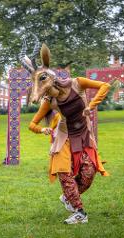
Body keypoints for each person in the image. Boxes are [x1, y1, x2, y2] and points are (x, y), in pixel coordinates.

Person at [29, 76, 110, 224]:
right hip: (64, 137)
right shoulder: (49, 101)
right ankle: (80, 213)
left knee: (88, 173)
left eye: (47, 91)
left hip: (84, 134)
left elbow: (105, 86)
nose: (46, 96)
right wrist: (42, 129)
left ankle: (68, 197)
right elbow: (32, 124)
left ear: (54, 84)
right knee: (64, 173)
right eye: (44, 93)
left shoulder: (77, 83)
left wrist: (91, 106)